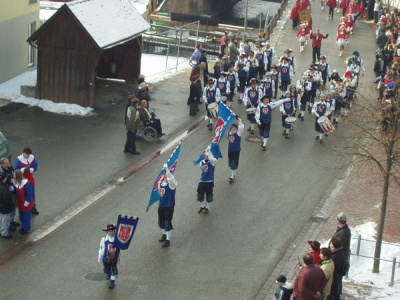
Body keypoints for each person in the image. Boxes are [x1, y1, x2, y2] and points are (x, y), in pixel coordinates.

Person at [157, 163, 178, 248]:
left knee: (167, 222)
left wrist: (167, 171)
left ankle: (168, 240)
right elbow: (159, 181)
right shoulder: (160, 184)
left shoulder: (172, 185)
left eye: (166, 177)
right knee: (161, 221)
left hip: (169, 206)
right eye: (164, 177)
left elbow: (171, 178)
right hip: (161, 206)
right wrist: (164, 171)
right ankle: (164, 234)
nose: (165, 178)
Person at [14, 147, 39, 215]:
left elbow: (35, 166)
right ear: (23, 153)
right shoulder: (19, 159)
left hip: (30, 179)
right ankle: (23, 208)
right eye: (25, 154)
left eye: (28, 154)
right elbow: (16, 169)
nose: (27, 156)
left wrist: (30, 169)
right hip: (22, 179)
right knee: (23, 194)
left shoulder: (32, 158)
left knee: (32, 194)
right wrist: (24, 169)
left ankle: (33, 207)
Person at [98, 224, 121, 289]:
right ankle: (108, 273)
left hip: (114, 258)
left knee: (113, 268)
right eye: (110, 231)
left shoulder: (117, 239)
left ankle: (112, 281)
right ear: (107, 232)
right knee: (106, 270)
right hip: (106, 258)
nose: (111, 232)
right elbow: (101, 249)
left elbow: (121, 246)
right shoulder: (104, 239)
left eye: (112, 231)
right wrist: (99, 257)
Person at [197, 148, 216, 214]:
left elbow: (213, 159)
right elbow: (201, 170)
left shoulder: (212, 162)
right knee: (200, 194)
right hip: (202, 181)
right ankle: (202, 206)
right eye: (205, 156)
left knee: (209, 195)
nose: (206, 157)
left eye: (207, 156)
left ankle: (207, 207)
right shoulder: (201, 162)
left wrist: (209, 151)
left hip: (209, 181)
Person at [14, 169, 34, 234]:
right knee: (21, 216)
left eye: (14, 175)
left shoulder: (26, 183)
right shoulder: (16, 182)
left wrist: (27, 202)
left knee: (26, 217)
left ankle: (26, 228)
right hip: (20, 203)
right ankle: (23, 227)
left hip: (25, 204)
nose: (13, 176)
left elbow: (29, 194)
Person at [1, 157, 19, 228]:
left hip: (12, 188)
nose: (8, 164)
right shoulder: (1, 172)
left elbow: (13, 173)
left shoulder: (10, 167)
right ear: (2, 164)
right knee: (8, 208)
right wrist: (10, 181)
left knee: (14, 206)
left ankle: (11, 220)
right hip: (7, 191)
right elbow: (2, 182)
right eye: (7, 163)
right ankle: (7, 225)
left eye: (8, 163)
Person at [227, 117, 244, 183]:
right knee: (231, 163)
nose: (233, 128)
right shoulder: (229, 133)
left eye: (234, 127)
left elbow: (241, 127)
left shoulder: (238, 133)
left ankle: (232, 176)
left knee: (234, 163)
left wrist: (239, 121)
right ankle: (232, 174)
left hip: (236, 150)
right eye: (232, 127)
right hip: (230, 150)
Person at [0, 173, 14, 238]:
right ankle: (4, 233)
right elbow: (8, 199)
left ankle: (1, 230)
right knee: (5, 220)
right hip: (5, 207)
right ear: (4, 179)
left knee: (1, 219)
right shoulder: (4, 189)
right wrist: (11, 205)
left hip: (1, 207)